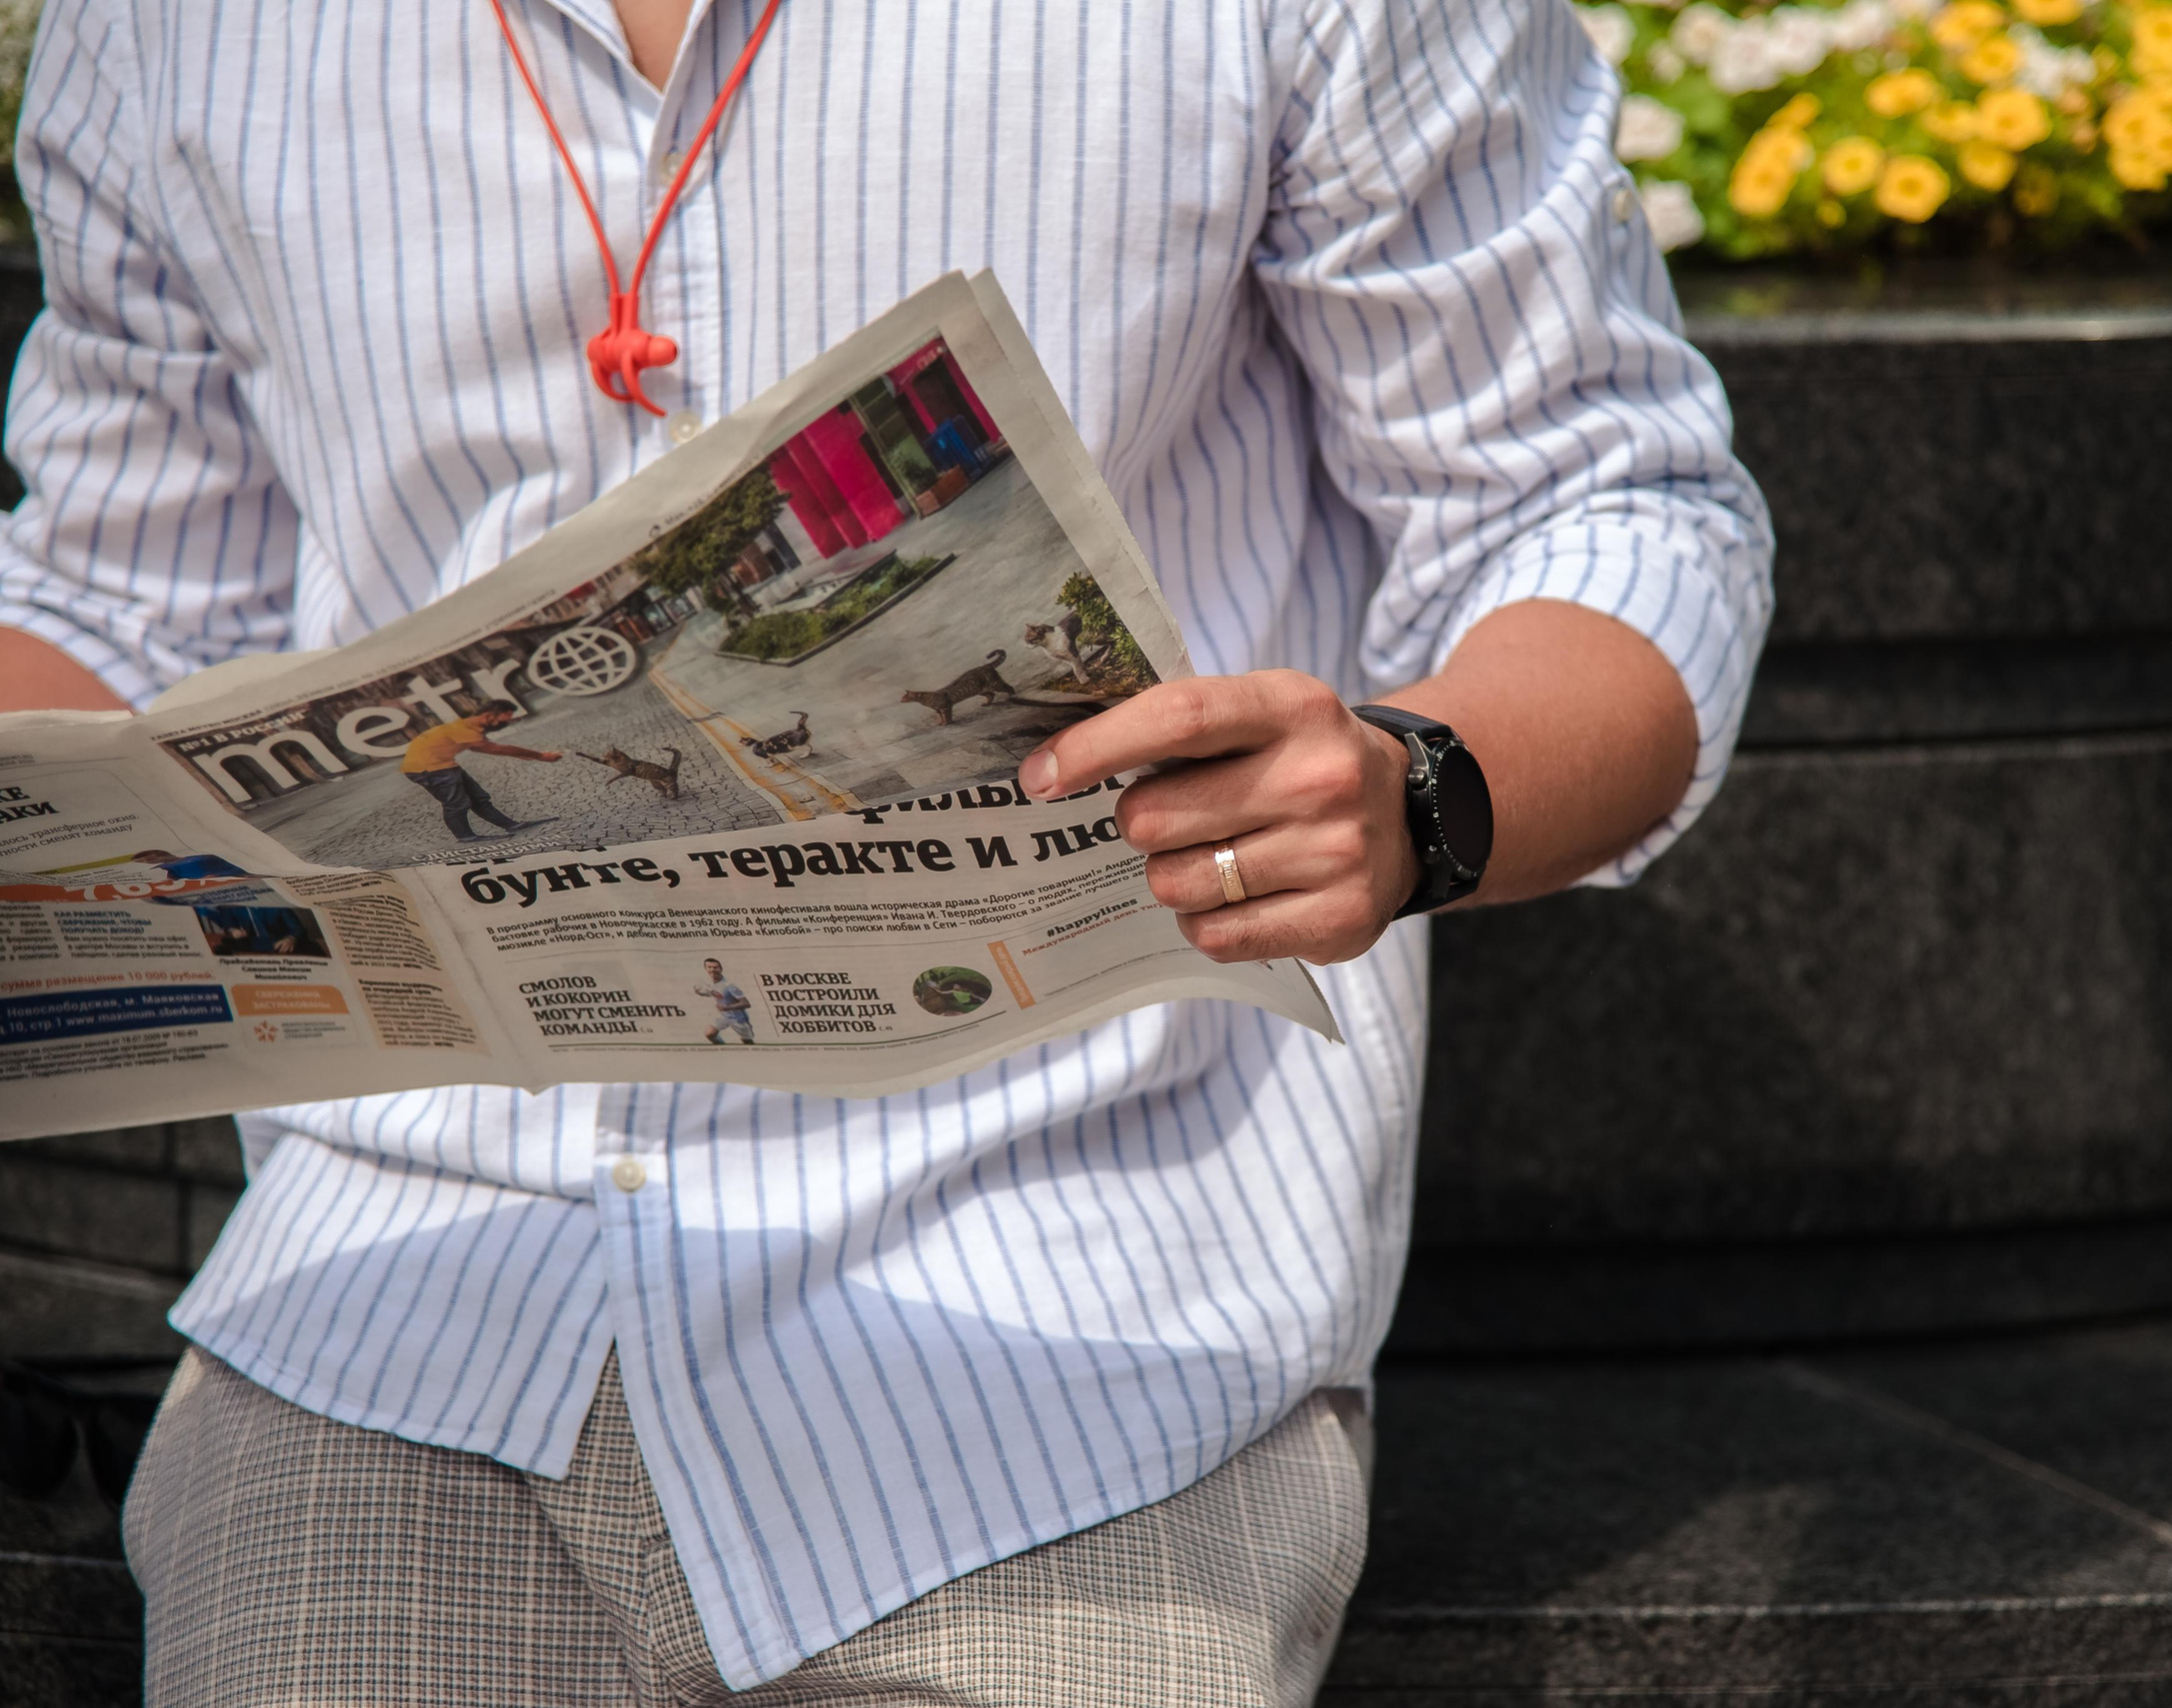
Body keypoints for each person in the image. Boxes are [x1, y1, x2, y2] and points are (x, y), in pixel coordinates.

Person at [0, 3, 1774, 1704]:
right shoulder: (164, 14)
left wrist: (1418, 791)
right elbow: (119, 593)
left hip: (1068, 1318)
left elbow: (1598, 502)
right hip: (395, 1307)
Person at [399, 704, 563, 843]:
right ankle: (465, 836)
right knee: (456, 803)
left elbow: (492, 748)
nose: (507, 722)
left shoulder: (466, 726)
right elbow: (495, 749)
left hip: (443, 764)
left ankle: (511, 825)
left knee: (479, 798)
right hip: (427, 768)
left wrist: (530, 756)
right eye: (505, 718)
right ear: (490, 716)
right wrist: (540, 756)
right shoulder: (463, 729)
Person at [692, 957, 756, 1044]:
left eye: (715, 967)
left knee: (747, 1042)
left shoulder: (730, 985)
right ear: (705, 968)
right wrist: (700, 993)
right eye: (709, 967)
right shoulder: (708, 982)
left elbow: (746, 1003)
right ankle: (723, 1050)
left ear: (721, 969)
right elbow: (716, 994)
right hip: (721, 1015)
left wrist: (727, 1008)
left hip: (737, 1017)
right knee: (709, 1034)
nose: (712, 970)